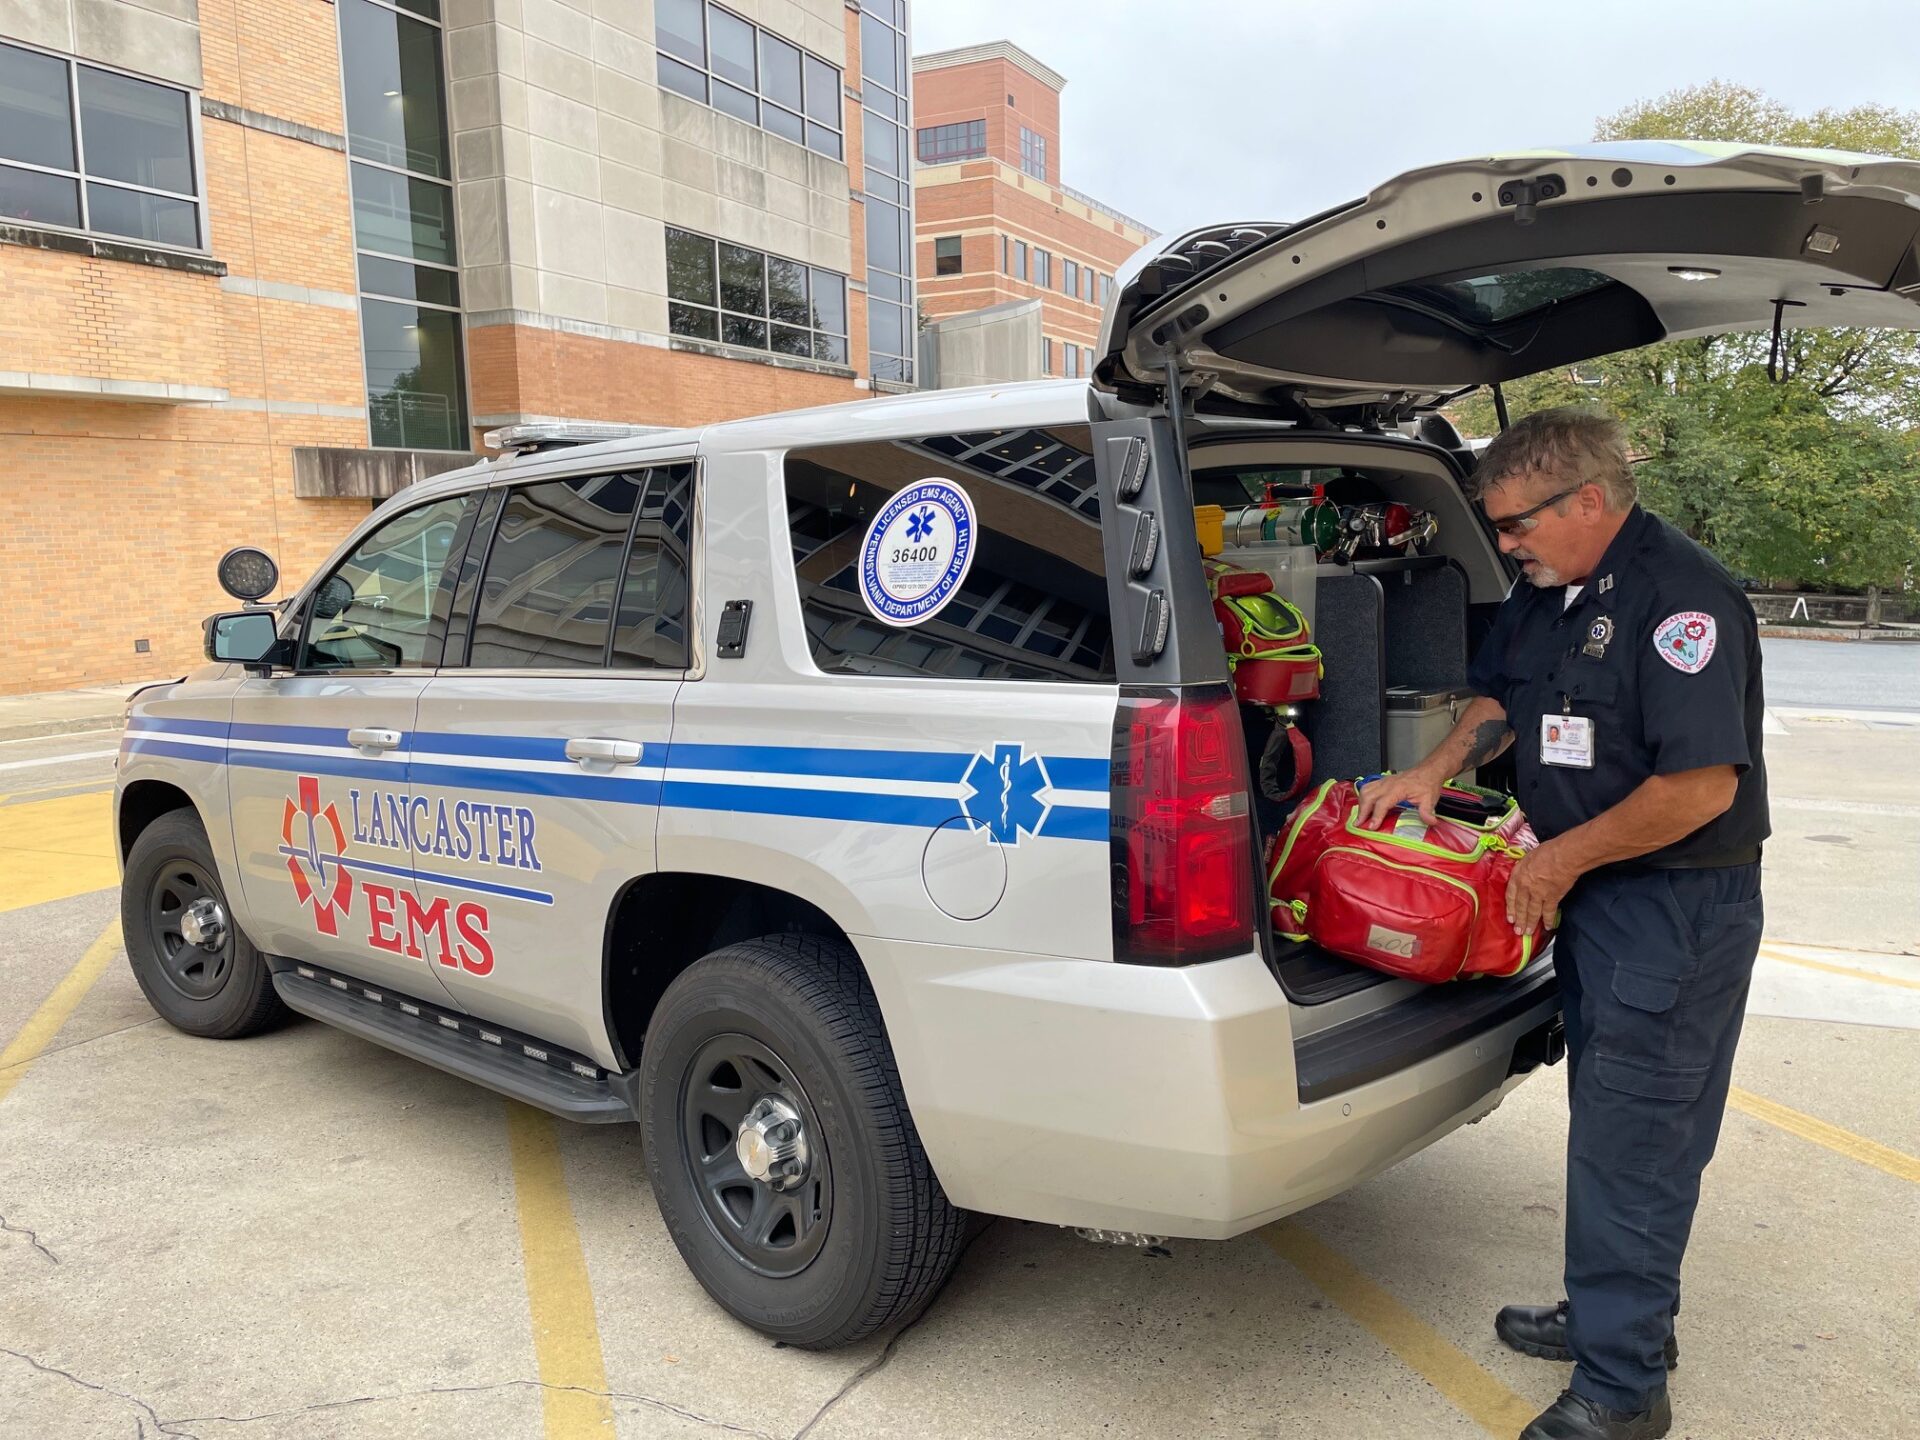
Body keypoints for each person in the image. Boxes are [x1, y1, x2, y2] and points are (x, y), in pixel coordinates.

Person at [1356, 408, 1768, 1440]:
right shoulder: (1554, 591)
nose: (1503, 546)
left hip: (1671, 906)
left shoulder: (1683, 599)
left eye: (1514, 525)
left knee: (1637, 1143)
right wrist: (1428, 773)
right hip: (1593, 891)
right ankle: (1618, 1318)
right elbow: (1500, 698)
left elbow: (1698, 788)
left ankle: (1622, 1391)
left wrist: (1555, 860)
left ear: (1588, 500)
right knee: (1617, 1124)